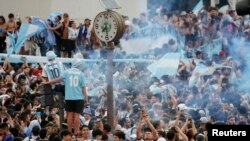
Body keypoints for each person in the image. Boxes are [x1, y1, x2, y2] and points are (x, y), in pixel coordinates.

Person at [43, 59, 88, 135]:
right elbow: (83, 88)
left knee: (69, 114)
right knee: (77, 115)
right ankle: (76, 131)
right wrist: (86, 98)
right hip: (79, 97)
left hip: (69, 97)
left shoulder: (67, 72)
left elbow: (57, 80)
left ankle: (69, 131)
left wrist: (48, 82)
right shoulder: (81, 74)